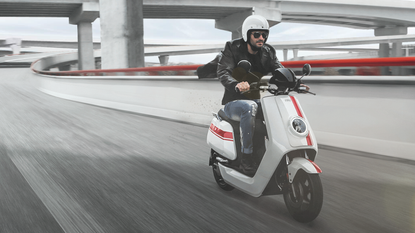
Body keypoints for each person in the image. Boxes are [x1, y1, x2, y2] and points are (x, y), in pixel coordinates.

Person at [216, 15, 309, 176]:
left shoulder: (268, 51)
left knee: (274, 108)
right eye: (257, 34)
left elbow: (279, 70)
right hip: (234, 101)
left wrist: (295, 83)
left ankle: (273, 155)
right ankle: (246, 159)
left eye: (264, 34)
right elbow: (223, 71)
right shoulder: (232, 47)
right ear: (247, 34)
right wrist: (236, 84)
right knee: (249, 106)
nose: (262, 38)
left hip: (256, 98)